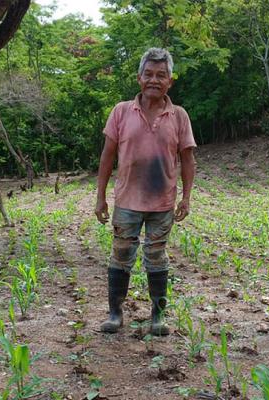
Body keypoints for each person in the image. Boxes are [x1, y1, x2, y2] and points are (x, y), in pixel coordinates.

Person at [95, 47, 197, 335]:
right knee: (121, 254)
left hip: (162, 203)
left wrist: (186, 198)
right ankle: (115, 314)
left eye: (161, 75)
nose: (154, 80)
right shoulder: (121, 111)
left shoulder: (179, 116)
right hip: (127, 201)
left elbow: (188, 160)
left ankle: (158, 316)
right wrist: (100, 197)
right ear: (139, 78)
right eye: (148, 74)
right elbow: (107, 156)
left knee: (156, 256)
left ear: (170, 81)